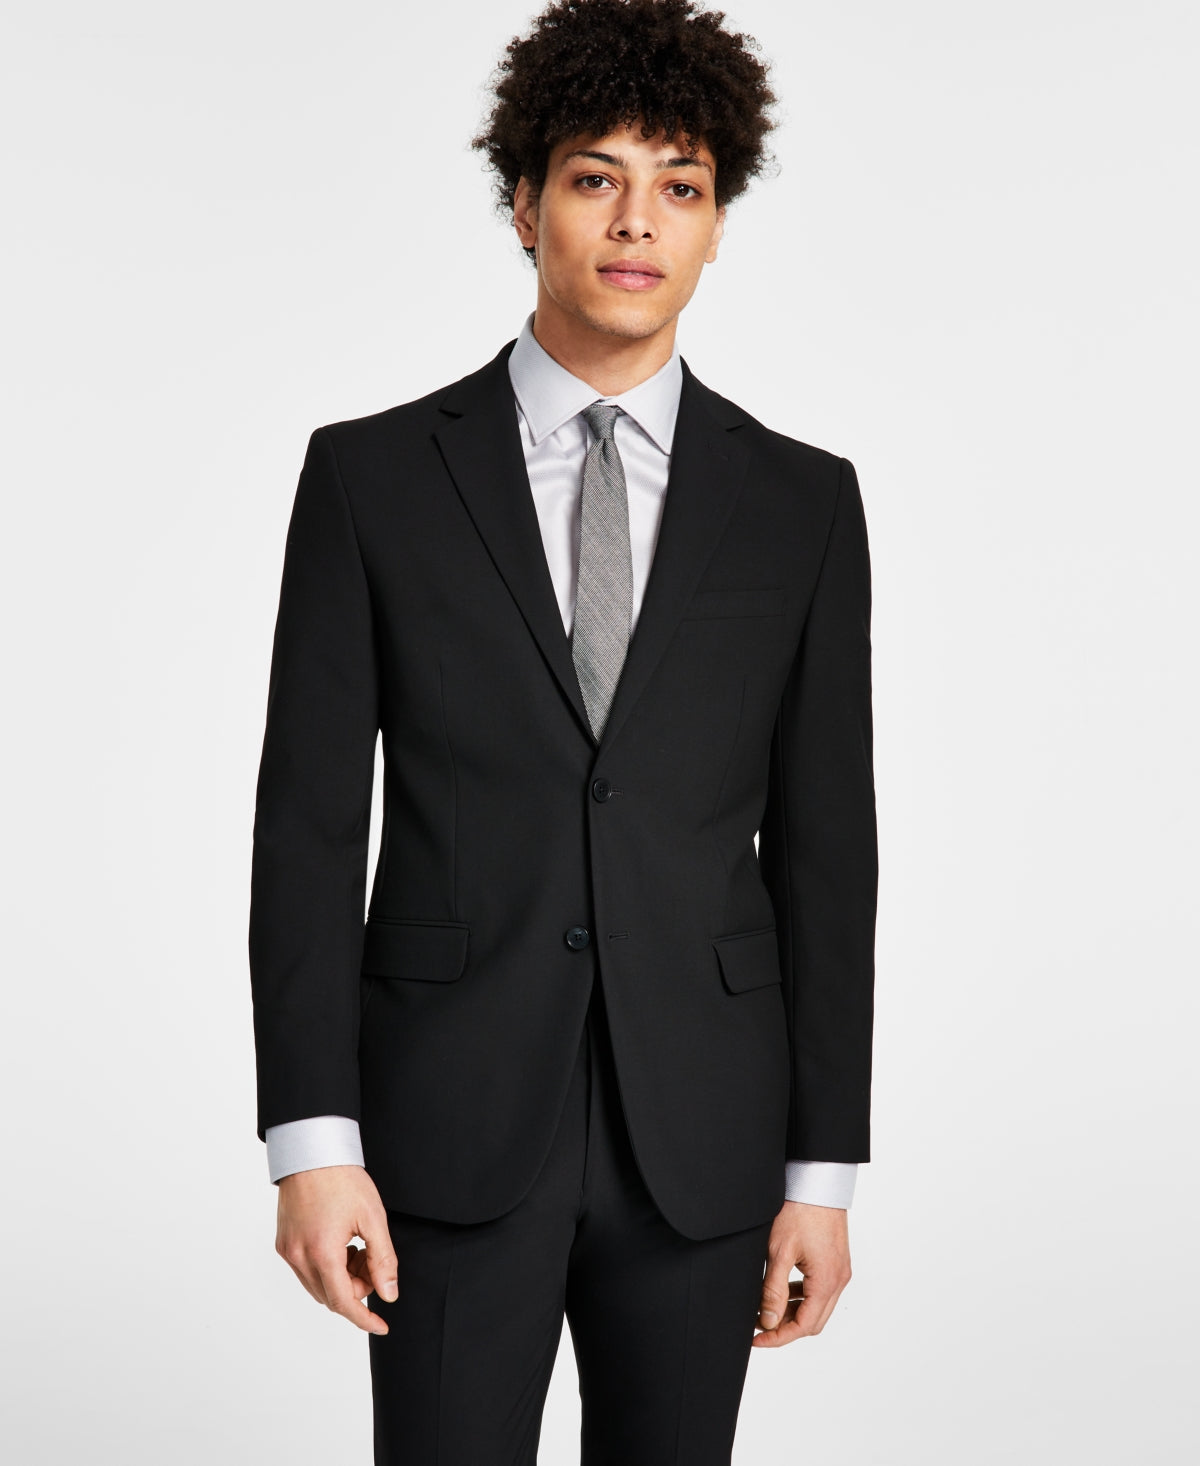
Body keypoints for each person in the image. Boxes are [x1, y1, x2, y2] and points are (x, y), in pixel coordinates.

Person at [248, 1, 878, 1460]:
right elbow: (308, 831)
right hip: (447, 1122)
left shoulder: (802, 503)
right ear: (525, 203)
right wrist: (312, 1142)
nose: (638, 221)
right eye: (597, 178)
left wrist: (824, 1172)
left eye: (681, 186)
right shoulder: (370, 480)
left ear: (716, 227)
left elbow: (828, 854)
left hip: (704, 1135)